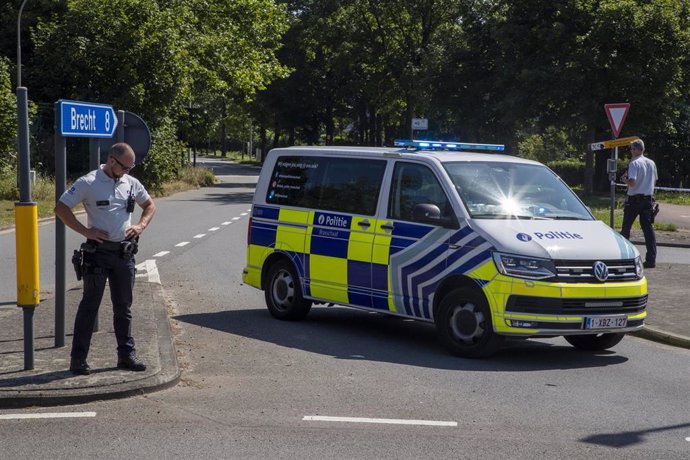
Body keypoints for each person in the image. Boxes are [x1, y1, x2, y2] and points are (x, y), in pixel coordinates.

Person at [55, 143, 156, 375]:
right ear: (112, 161)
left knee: (124, 308)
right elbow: (61, 208)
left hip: (124, 254)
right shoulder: (88, 182)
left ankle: (126, 355)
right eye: (125, 167)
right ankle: (78, 360)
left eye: (131, 168)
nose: (128, 172)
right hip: (97, 254)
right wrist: (86, 232)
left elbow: (150, 205)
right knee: (89, 307)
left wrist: (140, 225)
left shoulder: (131, 183)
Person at [620, 138, 657, 268]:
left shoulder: (634, 163)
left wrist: (624, 179)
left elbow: (632, 182)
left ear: (637, 149)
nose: (631, 151)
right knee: (648, 229)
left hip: (634, 200)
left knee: (626, 228)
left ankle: (624, 258)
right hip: (647, 199)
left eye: (632, 149)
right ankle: (651, 259)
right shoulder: (651, 163)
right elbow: (655, 180)